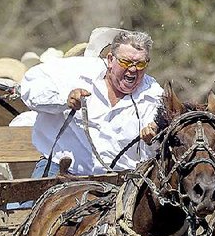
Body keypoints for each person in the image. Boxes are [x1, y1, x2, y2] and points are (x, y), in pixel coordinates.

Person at [19, 28, 164, 177]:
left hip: (122, 180)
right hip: (58, 169)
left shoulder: (154, 95)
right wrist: (63, 100)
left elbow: (162, 143)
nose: (133, 69)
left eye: (140, 64)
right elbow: (30, 88)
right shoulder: (76, 71)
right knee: (26, 200)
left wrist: (153, 138)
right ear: (110, 60)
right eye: (126, 62)